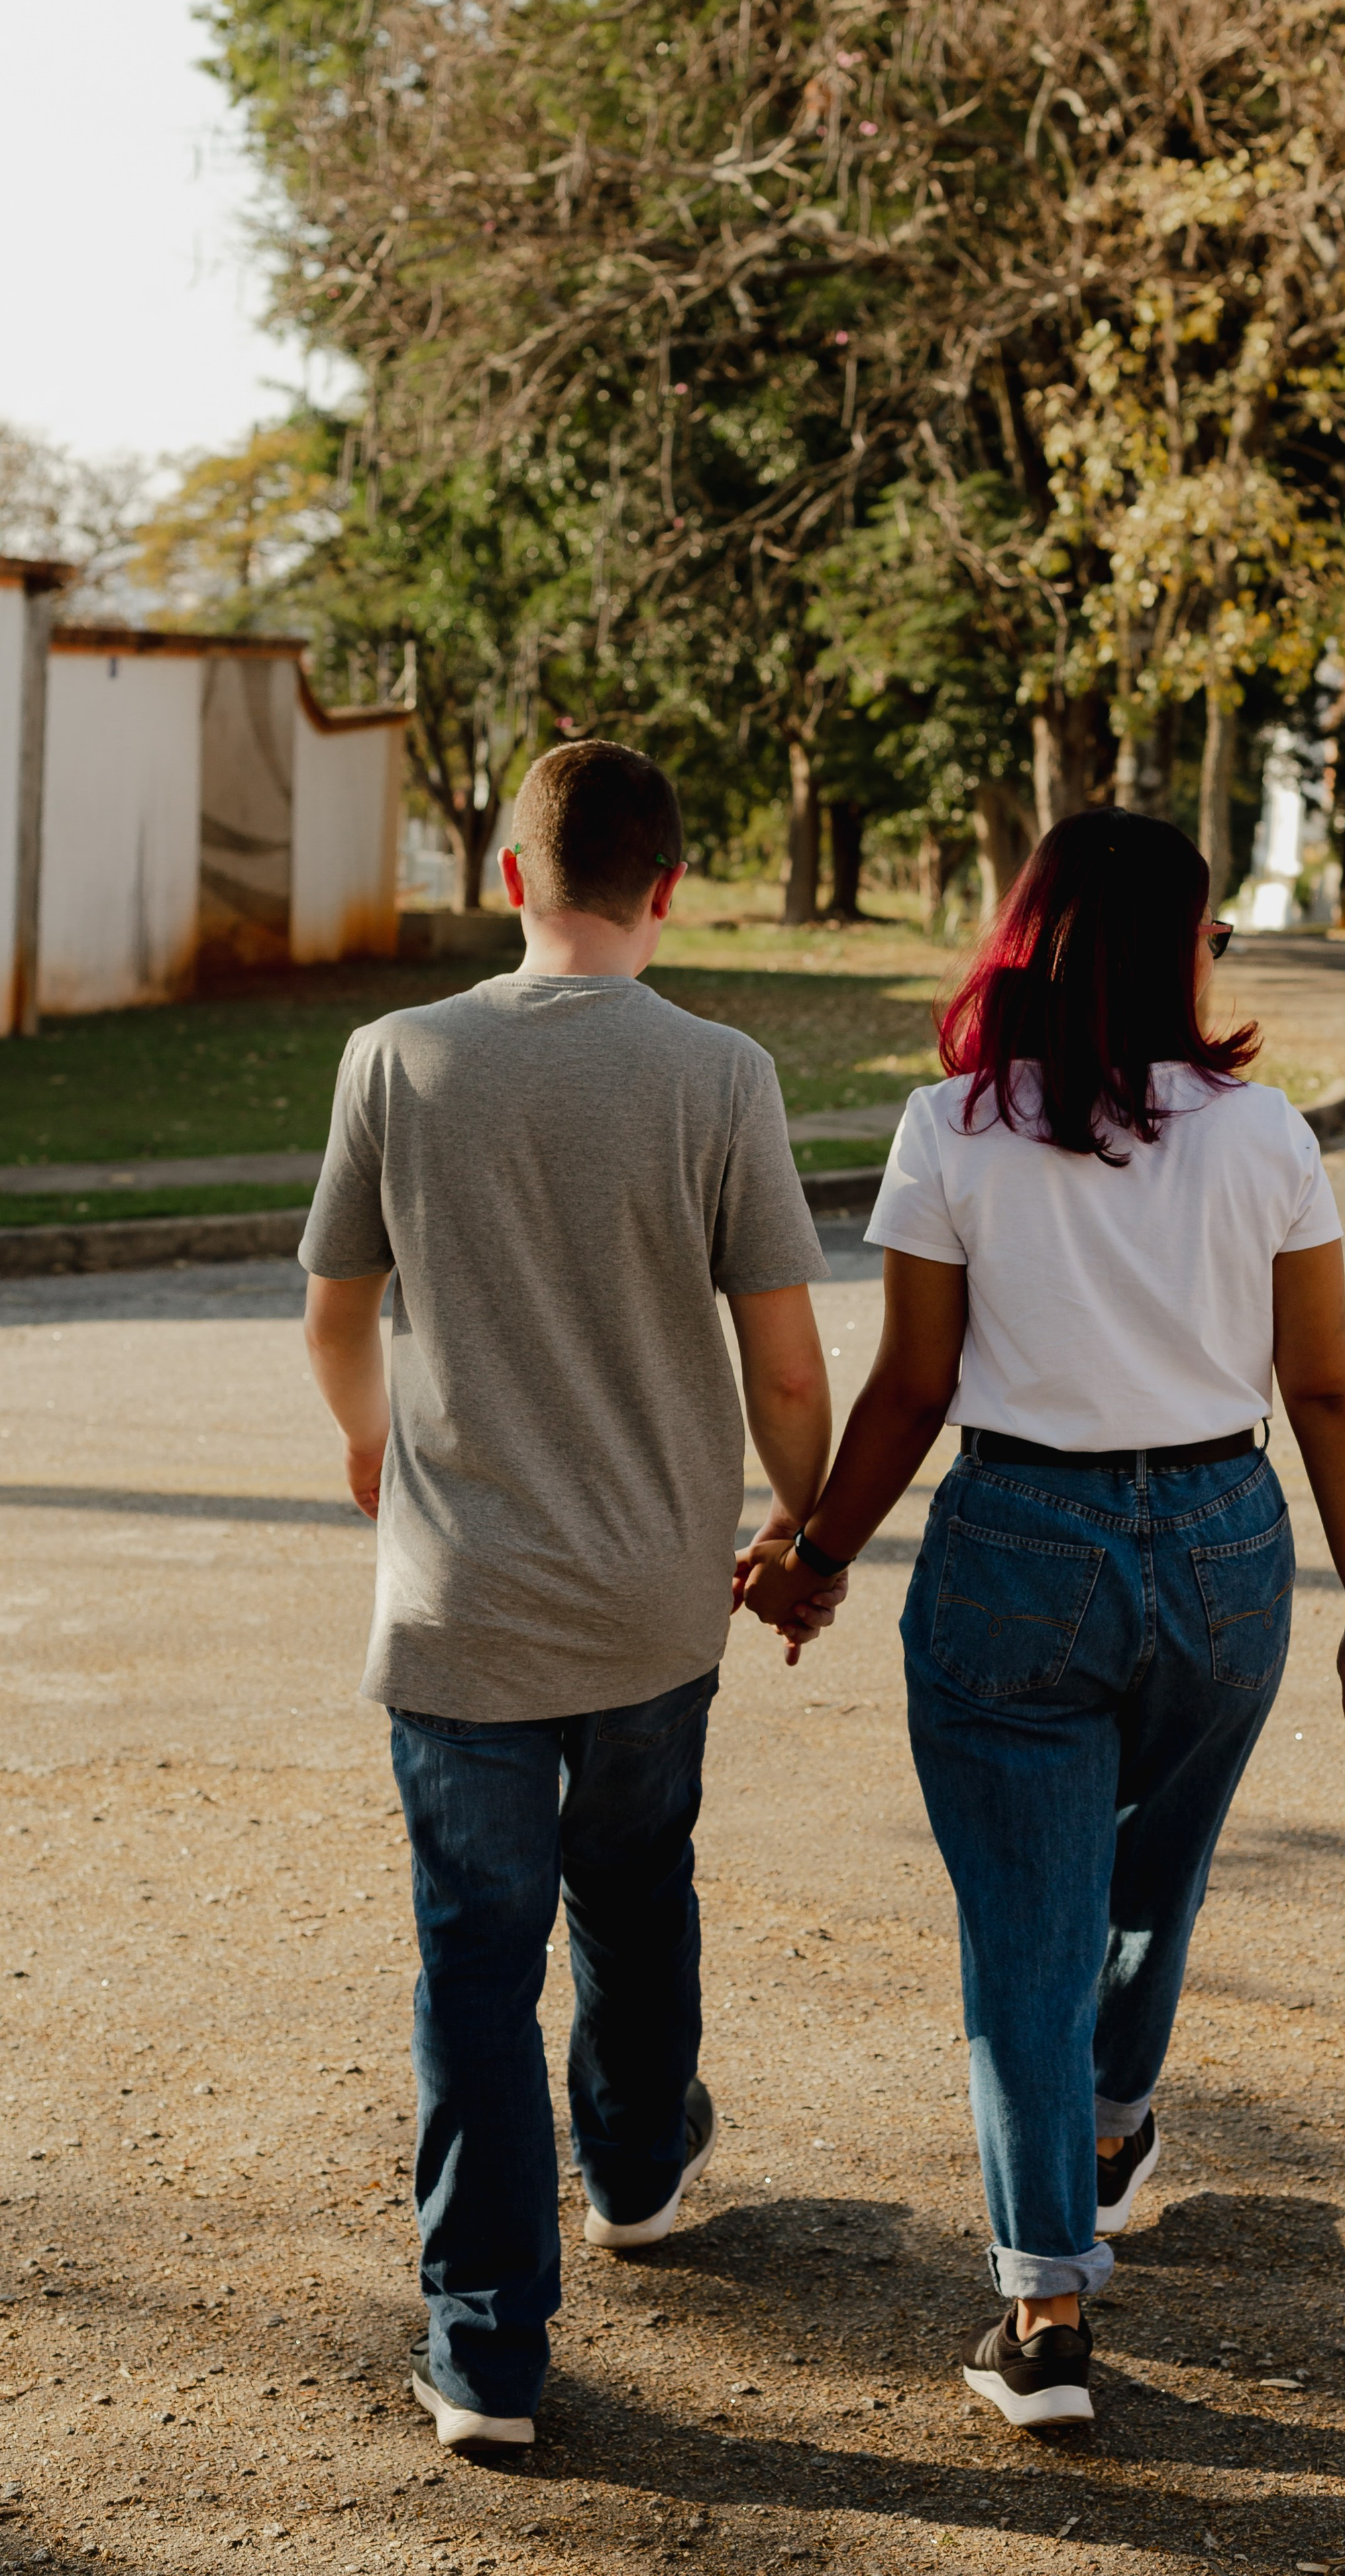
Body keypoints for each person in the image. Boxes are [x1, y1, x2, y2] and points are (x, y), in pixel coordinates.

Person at [745, 810, 1345, 2429]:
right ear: (1175, 948)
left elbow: (910, 1383)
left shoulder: (950, 1129)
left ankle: (1044, 2311)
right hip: (1223, 1543)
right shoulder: (1262, 1138)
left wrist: (816, 1550)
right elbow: (1318, 1382)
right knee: (1151, 1870)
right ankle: (1110, 2120)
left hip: (1019, 1541)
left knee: (1021, 1940)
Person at [301, 741, 839, 2455]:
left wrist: (372, 1443)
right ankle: (631, 2170)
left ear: (506, 879)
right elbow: (786, 1362)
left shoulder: (399, 1058)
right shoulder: (723, 1073)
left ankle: (484, 2352)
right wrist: (800, 1530)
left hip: (459, 1608)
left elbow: (333, 1309)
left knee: (474, 1961)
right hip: (652, 1602)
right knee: (633, 1888)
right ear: (667, 886)